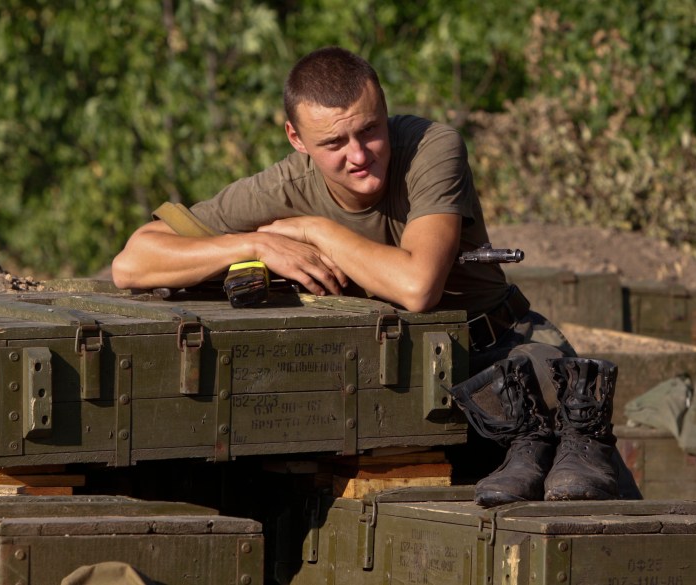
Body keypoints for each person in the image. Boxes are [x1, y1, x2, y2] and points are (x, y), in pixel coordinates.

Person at [112, 46, 633, 507]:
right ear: (296, 137)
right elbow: (133, 263)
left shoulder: (431, 148)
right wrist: (252, 244)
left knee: (582, 503)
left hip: (504, 358)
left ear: (385, 111)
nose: (359, 156)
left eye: (370, 130)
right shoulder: (281, 186)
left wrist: (316, 230)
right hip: (390, 380)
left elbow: (418, 286)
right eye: (334, 143)